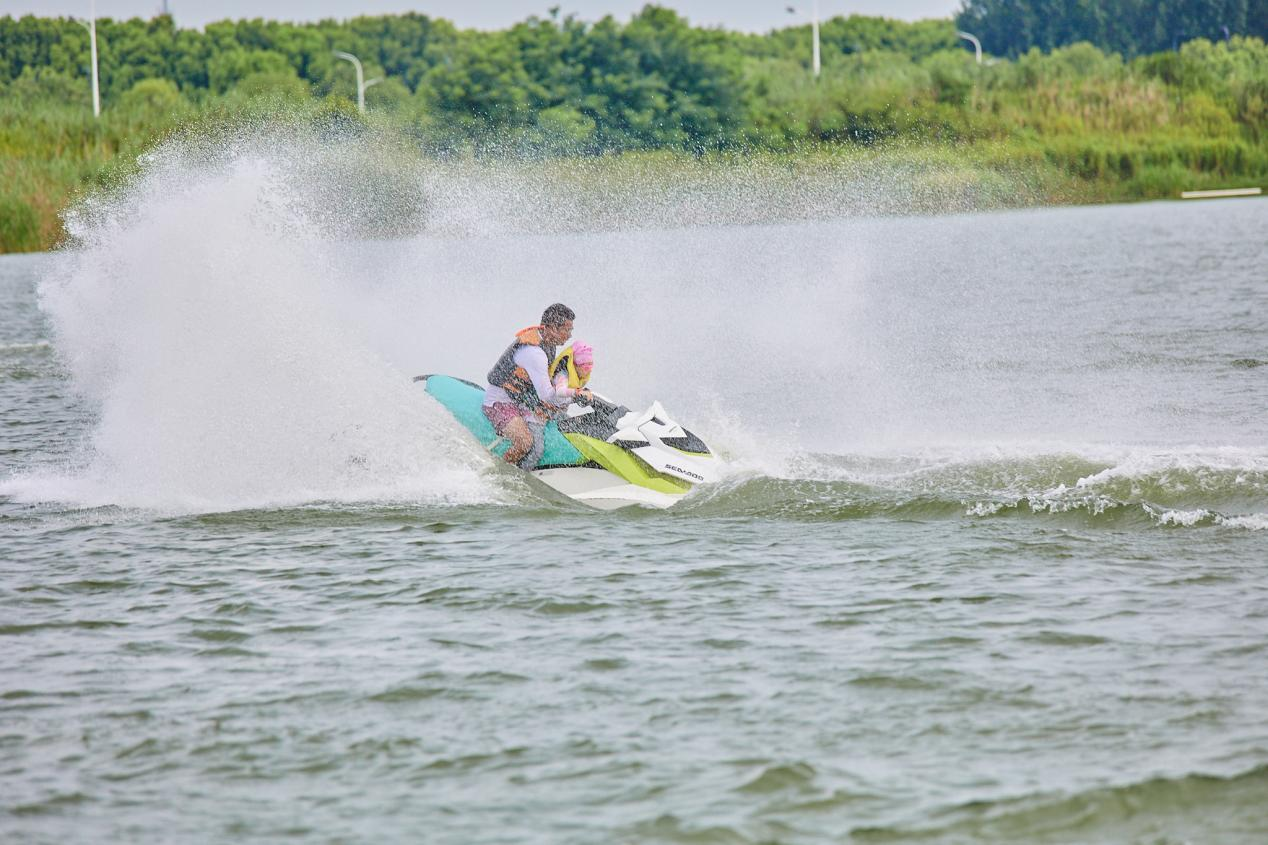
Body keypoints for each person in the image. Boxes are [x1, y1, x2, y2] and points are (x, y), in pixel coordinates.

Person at [483, 304, 592, 470]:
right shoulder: (535, 354)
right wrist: (575, 395)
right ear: (551, 328)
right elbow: (546, 395)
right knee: (525, 442)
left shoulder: (548, 343)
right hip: (499, 402)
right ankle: (499, 472)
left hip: (521, 400)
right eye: (566, 330)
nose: (570, 336)